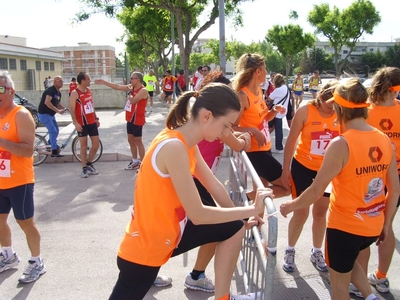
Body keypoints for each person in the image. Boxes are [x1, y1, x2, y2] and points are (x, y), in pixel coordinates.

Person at [108, 82, 272, 300]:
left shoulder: (184, 141)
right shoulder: (174, 147)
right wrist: (251, 209)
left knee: (232, 228)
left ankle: (222, 297)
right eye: (226, 125)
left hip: (164, 237)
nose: (227, 133)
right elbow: (199, 214)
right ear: (206, 116)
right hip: (144, 252)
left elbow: (214, 185)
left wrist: (244, 217)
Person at [280, 78, 399, 300]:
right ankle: (370, 296)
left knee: (340, 287)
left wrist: (290, 205)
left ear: (341, 108)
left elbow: (316, 191)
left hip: (344, 227)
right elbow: (394, 189)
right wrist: (387, 222)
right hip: (372, 226)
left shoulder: (341, 144)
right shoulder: (384, 139)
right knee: (351, 263)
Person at [184, 71, 252, 293]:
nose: (226, 128)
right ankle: (195, 275)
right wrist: (248, 136)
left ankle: (195, 274)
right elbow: (237, 144)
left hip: (200, 179)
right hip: (194, 180)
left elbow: (216, 183)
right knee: (215, 227)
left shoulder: (207, 119)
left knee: (215, 227)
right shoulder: (213, 121)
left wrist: (240, 216)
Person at [280, 80, 339, 274]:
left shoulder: (341, 113)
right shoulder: (306, 110)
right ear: (320, 98)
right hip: (303, 167)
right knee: (301, 212)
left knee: (320, 213)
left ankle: (316, 251)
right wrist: (285, 170)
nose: (331, 109)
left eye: (335, 105)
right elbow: (291, 140)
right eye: (329, 104)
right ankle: (290, 250)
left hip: (327, 170)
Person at [0, 71, 46, 283]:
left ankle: (37, 261)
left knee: (25, 222)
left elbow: (29, 151)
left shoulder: (21, 115)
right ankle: (8, 255)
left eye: (1, 89)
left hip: (20, 181)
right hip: (1, 180)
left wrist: (2, 142)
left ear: (12, 91)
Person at [357, 67, 400, 294]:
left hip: (380, 176)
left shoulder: (367, 111)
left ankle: (373, 279)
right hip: (379, 176)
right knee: (378, 226)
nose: (396, 94)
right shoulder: (367, 111)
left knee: (375, 226)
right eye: (396, 89)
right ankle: (372, 279)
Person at [233, 53, 290, 201]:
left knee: (262, 192)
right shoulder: (242, 95)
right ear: (257, 71)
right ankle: (240, 198)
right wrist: (252, 131)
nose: (267, 72)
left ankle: (256, 223)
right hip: (256, 152)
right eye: (265, 69)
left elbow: (263, 119)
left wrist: (274, 111)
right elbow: (232, 128)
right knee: (287, 187)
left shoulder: (259, 91)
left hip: (266, 147)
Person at [95, 72, 148, 171]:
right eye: (131, 78)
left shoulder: (143, 91)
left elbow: (133, 101)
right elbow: (118, 87)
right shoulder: (131, 88)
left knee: (138, 142)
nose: (130, 79)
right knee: (130, 140)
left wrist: (129, 94)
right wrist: (104, 82)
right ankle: (135, 161)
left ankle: (144, 164)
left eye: (133, 78)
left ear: (138, 80)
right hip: (130, 119)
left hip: (137, 120)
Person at [69, 72, 100, 178]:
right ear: (82, 81)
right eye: (88, 79)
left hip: (91, 122)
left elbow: (91, 105)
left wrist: (96, 118)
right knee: (84, 146)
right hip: (82, 123)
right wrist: (76, 123)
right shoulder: (75, 93)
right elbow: (72, 109)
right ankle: (84, 168)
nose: (89, 81)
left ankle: (89, 163)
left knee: (96, 145)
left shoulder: (89, 91)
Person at [38, 76, 67, 158]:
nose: (61, 82)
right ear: (54, 82)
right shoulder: (51, 90)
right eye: (59, 81)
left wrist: (65, 109)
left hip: (51, 115)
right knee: (53, 131)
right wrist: (58, 111)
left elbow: (58, 104)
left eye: (62, 81)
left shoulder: (58, 93)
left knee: (56, 130)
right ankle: (54, 151)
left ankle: (50, 145)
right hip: (44, 114)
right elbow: (47, 102)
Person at [267, 73, 290, 153]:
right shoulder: (286, 88)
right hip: (282, 111)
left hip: (276, 111)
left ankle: (279, 147)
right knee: (275, 128)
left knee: (273, 128)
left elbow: (269, 98)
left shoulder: (278, 89)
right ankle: (278, 146)